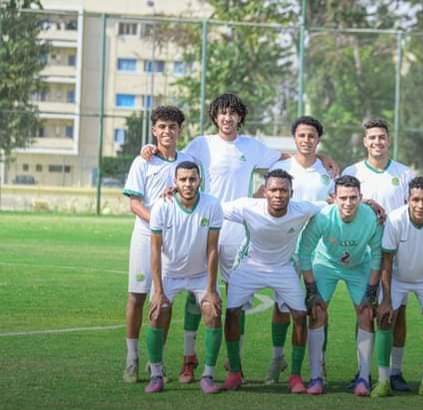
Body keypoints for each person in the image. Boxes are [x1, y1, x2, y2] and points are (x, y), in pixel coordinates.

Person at [140, 94, 337, 383]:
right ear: (215, 117)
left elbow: (287, 158)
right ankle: (188, 359)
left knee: (236, 299)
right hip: (203, 227)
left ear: (240, 118)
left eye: (233, 113)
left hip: (236, 232)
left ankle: (236, 365)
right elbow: (177, 164)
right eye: (222, 113)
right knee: (195, 295)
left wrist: (321, 158)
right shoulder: (200, 144)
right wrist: (150, 150)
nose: (227, 118)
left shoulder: (251, 146)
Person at [221, 169, 326, 393]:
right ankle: (235, 373)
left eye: (284, 190)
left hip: (283, 268)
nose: (278, 194)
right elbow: (211, 207)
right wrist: (176, 193)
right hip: (249, 266)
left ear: (291, 193)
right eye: (274, 190)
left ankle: (295, 376)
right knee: (232, 313)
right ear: (265, 192)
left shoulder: (302, 209)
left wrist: (368, 203)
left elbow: (331, 204)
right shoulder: (247, 207)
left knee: (300, 315)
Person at [121, 106, 194, 383]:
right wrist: (157, 221)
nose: (167, 131)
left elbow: (193, 196)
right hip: (145, 236)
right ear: (154, 130)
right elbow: (134, 203)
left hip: (174, 241)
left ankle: (157, 361)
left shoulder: (187, 162)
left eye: (172, 127)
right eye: (162, 126)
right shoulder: (143, 161)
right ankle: (131, 357)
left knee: (164, 300)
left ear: (179, 131)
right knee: (137, 296)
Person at [342, 118, 415, 391]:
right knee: (364, 311)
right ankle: (363, 371)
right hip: (362, 254)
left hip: (395, 253)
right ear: (365, 142)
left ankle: (395, 372)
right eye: (372, 137)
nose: (377, 142)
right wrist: (366, 202)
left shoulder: (404, 173)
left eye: (381, 137)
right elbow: (337, 200)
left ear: (389, 140)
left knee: (397, 313)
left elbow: (413, 209)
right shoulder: (352, 171)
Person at [370, 177, 423, 400]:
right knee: (385, 319)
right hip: (397, 276)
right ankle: (383, 381)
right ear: (407, 199)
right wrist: (386, 300)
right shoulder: (395, 219)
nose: (420, 204)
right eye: (415, 199)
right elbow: (387, 260)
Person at [263, 116, 334, 385]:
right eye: (302, 135)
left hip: (320, 249)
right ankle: (277, 358)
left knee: (318, 306)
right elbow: (264, 198)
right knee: (282, 307)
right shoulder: (281, 168)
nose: (306, 140)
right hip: (287, 248)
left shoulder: (328, 170)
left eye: (311, 136)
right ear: (295, 138)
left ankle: (319, 362)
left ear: (318, 140)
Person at [297, 175, 383, 396]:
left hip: (359, 265)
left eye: (353, 197)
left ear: (361, 197)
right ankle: (316, 376)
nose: (348, 203)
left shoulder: (371, 218)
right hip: (326, 264)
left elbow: (377, 255)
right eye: (343, 198)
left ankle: (363, 377)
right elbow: (304, 252)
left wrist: (371, 293)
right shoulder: (323, 217)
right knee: (317, 311)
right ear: (334, 198)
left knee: (366, 313)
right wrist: (312, 290)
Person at [144, 161, 224, 394]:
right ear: (175, 182)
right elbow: (155, 250)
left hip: (200, 274)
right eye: (183, 179)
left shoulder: (212, 205)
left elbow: (212, 249)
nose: (188, 184)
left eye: (192, 179)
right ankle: (156, 374)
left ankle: (208, 375)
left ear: (200, 180)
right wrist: (158, 291)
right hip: (169, 274)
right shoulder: (162, 205)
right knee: (157, 313)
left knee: (213, 312)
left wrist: (211, 290)